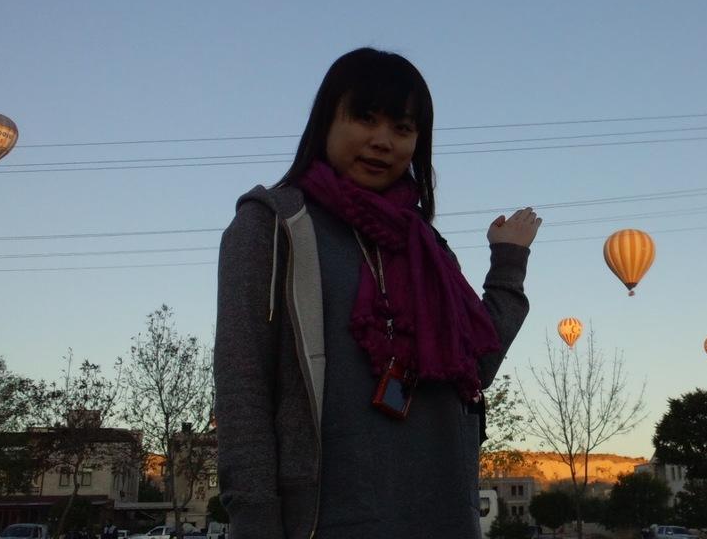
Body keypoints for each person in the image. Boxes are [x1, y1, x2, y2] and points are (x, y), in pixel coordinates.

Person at [214, 48, 540, 539]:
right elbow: (242, 385)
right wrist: (255, 519)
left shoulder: (427, 247)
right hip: (324, 522)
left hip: (444, 518)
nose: (383, 141)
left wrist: (508, 265)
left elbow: (476, 369)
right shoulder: (273, 226)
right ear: (326, 120)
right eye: (365, 118)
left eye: (402, 128)